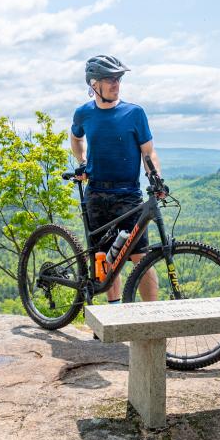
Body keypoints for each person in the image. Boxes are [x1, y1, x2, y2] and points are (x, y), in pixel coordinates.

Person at [70, 54, 161, 303]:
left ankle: (153, 318)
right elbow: (76, 138)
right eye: (109, 79)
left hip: (128, 194)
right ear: (93, 84)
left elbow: (148, 151)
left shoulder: (134, 113)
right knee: (104, 256)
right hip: (96, 193)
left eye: (118, 78)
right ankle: (113, 313)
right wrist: (83, 160)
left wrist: (155, 177)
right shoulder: (83, 113)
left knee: (139, 257)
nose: (116, 83)